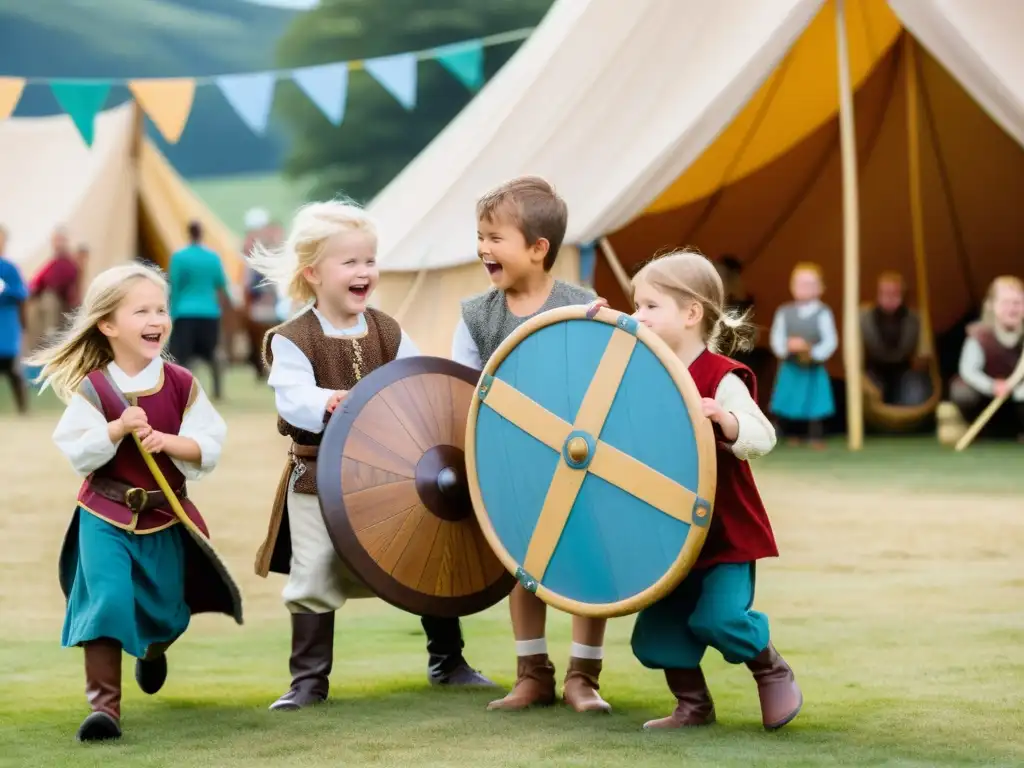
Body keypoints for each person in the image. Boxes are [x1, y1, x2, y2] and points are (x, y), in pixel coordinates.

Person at [248, 199, 494, 712]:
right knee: (314, 569)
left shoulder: (388, 330)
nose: (365, 272)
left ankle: (448, 660)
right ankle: (309, 681)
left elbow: (420, 385)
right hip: (317, 478)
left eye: (370, 261)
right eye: (351, 262)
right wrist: (327, 401)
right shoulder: (293, 339)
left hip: (395, 479)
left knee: (433, 554)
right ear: (313, 273)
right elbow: (292, 396)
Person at [25, 263, 233, 742]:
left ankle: (154, 649)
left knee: (166, 613)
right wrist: (116, 429)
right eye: (141, 310)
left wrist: (166, 441)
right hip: (103, 513)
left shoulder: (181, 383)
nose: (156, 318)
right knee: (107, 600)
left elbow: (211, 444)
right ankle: (105, 710)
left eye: (160, 308)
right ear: (108, 325)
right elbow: (77, 450)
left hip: (165, 515)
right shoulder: (95, 389)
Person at [451, 175, 612, 714]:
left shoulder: (583, 305)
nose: (482, 248)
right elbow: (463, 390)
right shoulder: (477, 315)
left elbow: (612, 378)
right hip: (513, 465)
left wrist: (607, 326)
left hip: (580, 461)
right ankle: (532, 674)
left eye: (496, 238)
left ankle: (583, 678)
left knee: (588, 563)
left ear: (538, 249)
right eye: (480, 236)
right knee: (525, 564)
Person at [627, 249, 801, 731]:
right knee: (655, 638)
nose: (636, 316)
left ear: (690, 313)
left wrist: (725, 420)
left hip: (725, 533)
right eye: (635, 305)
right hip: (671, 534)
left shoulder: (721, 376)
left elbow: (762, 435)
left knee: (719, 619)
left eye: (649, 306)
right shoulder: (640, 368)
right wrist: (594, 327)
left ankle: (770, 667)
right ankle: (693, 706)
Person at [768, 263, 837, 448]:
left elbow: (830, 340)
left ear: (820, 288)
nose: (804, 289)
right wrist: (786, 347)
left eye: (810, 284)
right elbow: (777, 337)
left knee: (815, 401)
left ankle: (816, 435)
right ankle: (792, 434)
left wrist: (813, 352)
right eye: (800, 284)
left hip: (812, 367)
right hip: (791, 366)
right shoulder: (784, 312)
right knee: (790, 399)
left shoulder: (823, 313)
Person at [950, 275, 1024, 440]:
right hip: (988, 399)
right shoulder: (979, 335)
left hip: (1019, 401)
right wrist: (992, 386)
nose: (1012, 309)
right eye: (1005, 303)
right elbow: (968, 371)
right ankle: (988, 430)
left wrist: (1014, 385)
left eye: (1017, 303)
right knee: (962, 391)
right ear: (992, 305)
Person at [167, 221, 230, 400]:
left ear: (188, 234)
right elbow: (222, 285)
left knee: (181, 357)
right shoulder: (213, 257)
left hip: (184, 312)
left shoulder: (179, 257)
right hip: (209, 313)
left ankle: (181, 391)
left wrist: (171, 312)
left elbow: (174, 286)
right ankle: (218, 391)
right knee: (212, 354)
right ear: (202, 234)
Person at [861, 272, 930, 406]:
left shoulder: (915, 319)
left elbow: (923, 355)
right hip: (873, 370)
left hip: (904, 370)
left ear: (902, 295)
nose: (889, 298)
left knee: (916, 392)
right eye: (885, 293)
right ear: (878, 294)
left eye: (894, 293)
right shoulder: (863, 319)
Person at [0, 225, 29, 413]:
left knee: (12, 370)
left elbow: (22, 292)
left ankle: (22, 409)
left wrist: (5, 290)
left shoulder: (9, 268)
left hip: (6, 324)